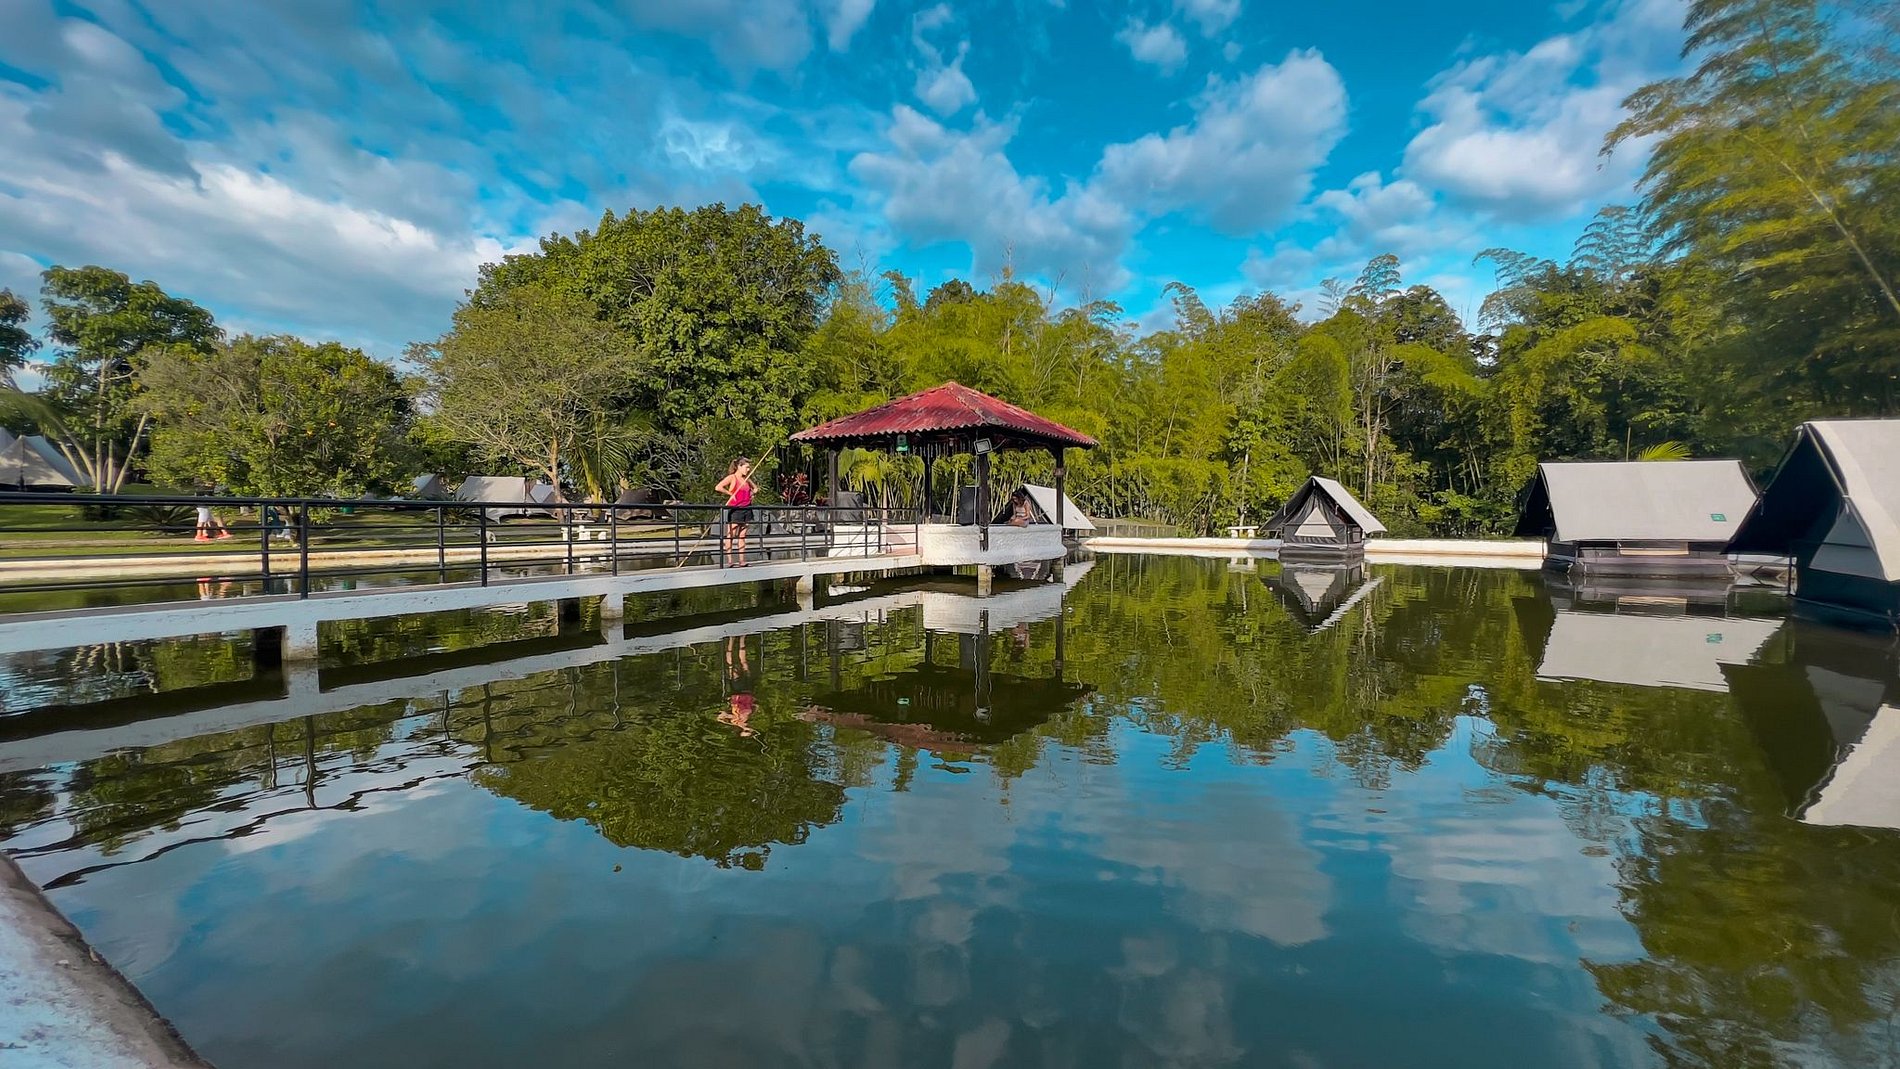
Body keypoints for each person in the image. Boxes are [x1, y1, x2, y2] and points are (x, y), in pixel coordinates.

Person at [715, 456, 757, 567]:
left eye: (749, 467)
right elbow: (718, 487)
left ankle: (742, 560)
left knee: (742, 536)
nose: (748, 470)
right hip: (736, 509)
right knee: (731, 535)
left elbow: (756, 488)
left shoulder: (746, 479)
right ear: (739, 466)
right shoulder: (732, 477)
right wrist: (730, 494)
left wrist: (752, 494)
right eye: (746, 467)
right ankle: (730, 561)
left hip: (747, 508)